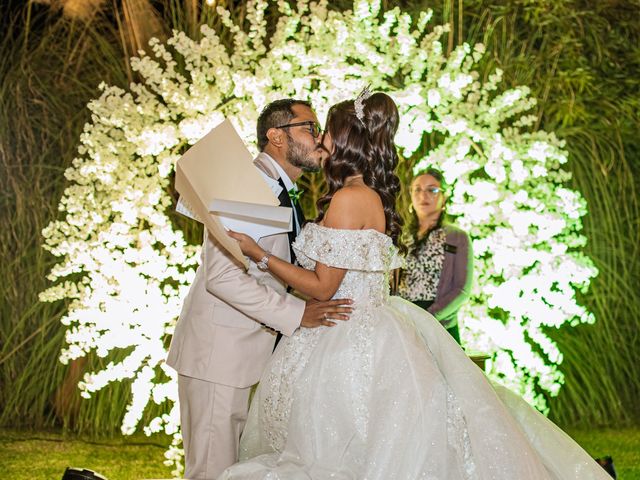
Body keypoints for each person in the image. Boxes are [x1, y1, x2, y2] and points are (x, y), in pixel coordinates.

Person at [222, 91, 610, 479]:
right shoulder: (371, 195)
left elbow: (323, 287)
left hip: (344, 336)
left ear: (343, 141)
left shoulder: (348, 199)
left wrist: (259, 253)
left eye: (327, 131)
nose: (321, 139)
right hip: (373, 327)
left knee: (335, 450)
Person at [166, 99, 353, 480]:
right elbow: (223, 277)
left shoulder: (285, 191)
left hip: (250, 353)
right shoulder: (246, 185)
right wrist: (298, 314)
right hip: (219, 354)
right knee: (211, 471)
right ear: (276, 136)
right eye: (310, 128)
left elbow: (272, 270)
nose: (319, 139)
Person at [397, 169, 473, 344]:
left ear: (444, 197)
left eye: (432, 190)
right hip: (404, 326)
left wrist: (428, 318)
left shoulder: (457, 236)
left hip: (440, 325)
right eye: (417, 189)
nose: (423, 195)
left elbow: (461, 290)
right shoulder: (400, 237)